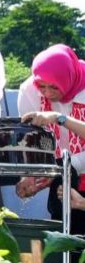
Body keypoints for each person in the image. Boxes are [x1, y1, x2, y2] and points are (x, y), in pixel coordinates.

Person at [13, 45, 85, 233]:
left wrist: (59, 118)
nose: (48, 93)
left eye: (54, 86)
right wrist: (30, 175)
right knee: (65, 241)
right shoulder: (29, 91)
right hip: (62, 176)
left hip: (68, 169)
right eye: (42, 86)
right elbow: (30, 142)